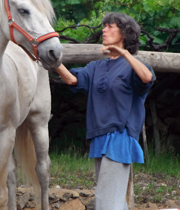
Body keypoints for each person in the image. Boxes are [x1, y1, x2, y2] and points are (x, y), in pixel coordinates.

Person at [56, 12, 156, 210]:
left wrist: (125, 53)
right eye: (104, 26)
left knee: (106, 202)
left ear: (125, 34)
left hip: (120, 137)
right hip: (99, 137)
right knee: (112, 201)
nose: (104, 29)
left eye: (110, 26)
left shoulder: (133, 66)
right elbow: (71, 79)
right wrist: (52, 58)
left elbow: (146, 78)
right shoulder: (96, 66)